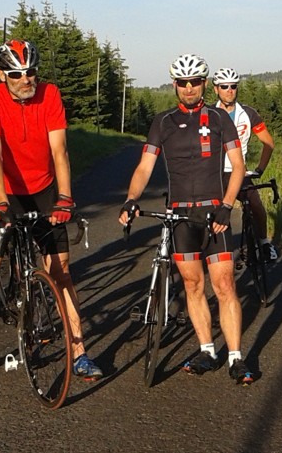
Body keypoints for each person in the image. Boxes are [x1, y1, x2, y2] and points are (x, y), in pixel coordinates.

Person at [0, 39, 104, 393]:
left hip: (43, 189)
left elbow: (60, 150)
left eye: (31, 72)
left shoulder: (50, 94)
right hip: (3, 190)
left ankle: (79, 352)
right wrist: (0, 204)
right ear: (2, 74)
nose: (25, 79)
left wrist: (65, 198)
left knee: (61, 273)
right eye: (16, 74)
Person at [119, 54, 252, 385]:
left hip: (214, 213)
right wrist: (131, 199)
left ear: (204, 84)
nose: (189, 88)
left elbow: (238, 166)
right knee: (193, 285)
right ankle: (207, 350)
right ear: (175, 85)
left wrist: (227, 205)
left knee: (224, 284)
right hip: (180, 216)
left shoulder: (220, 118)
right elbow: (145, 167)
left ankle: (236, 357)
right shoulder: (162, 122)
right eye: (182, 82)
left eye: (194, 82)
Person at [211, 67, 279, 263]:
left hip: (239, 172)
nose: (229, 90)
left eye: (233, 86)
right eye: (224, 86)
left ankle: (264, 242)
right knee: (213, 212)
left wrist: (259, 170)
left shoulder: (248, 114)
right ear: (216, 89)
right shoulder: (209, 114)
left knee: (256, 206)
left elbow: (269, 143)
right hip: (214, 173)